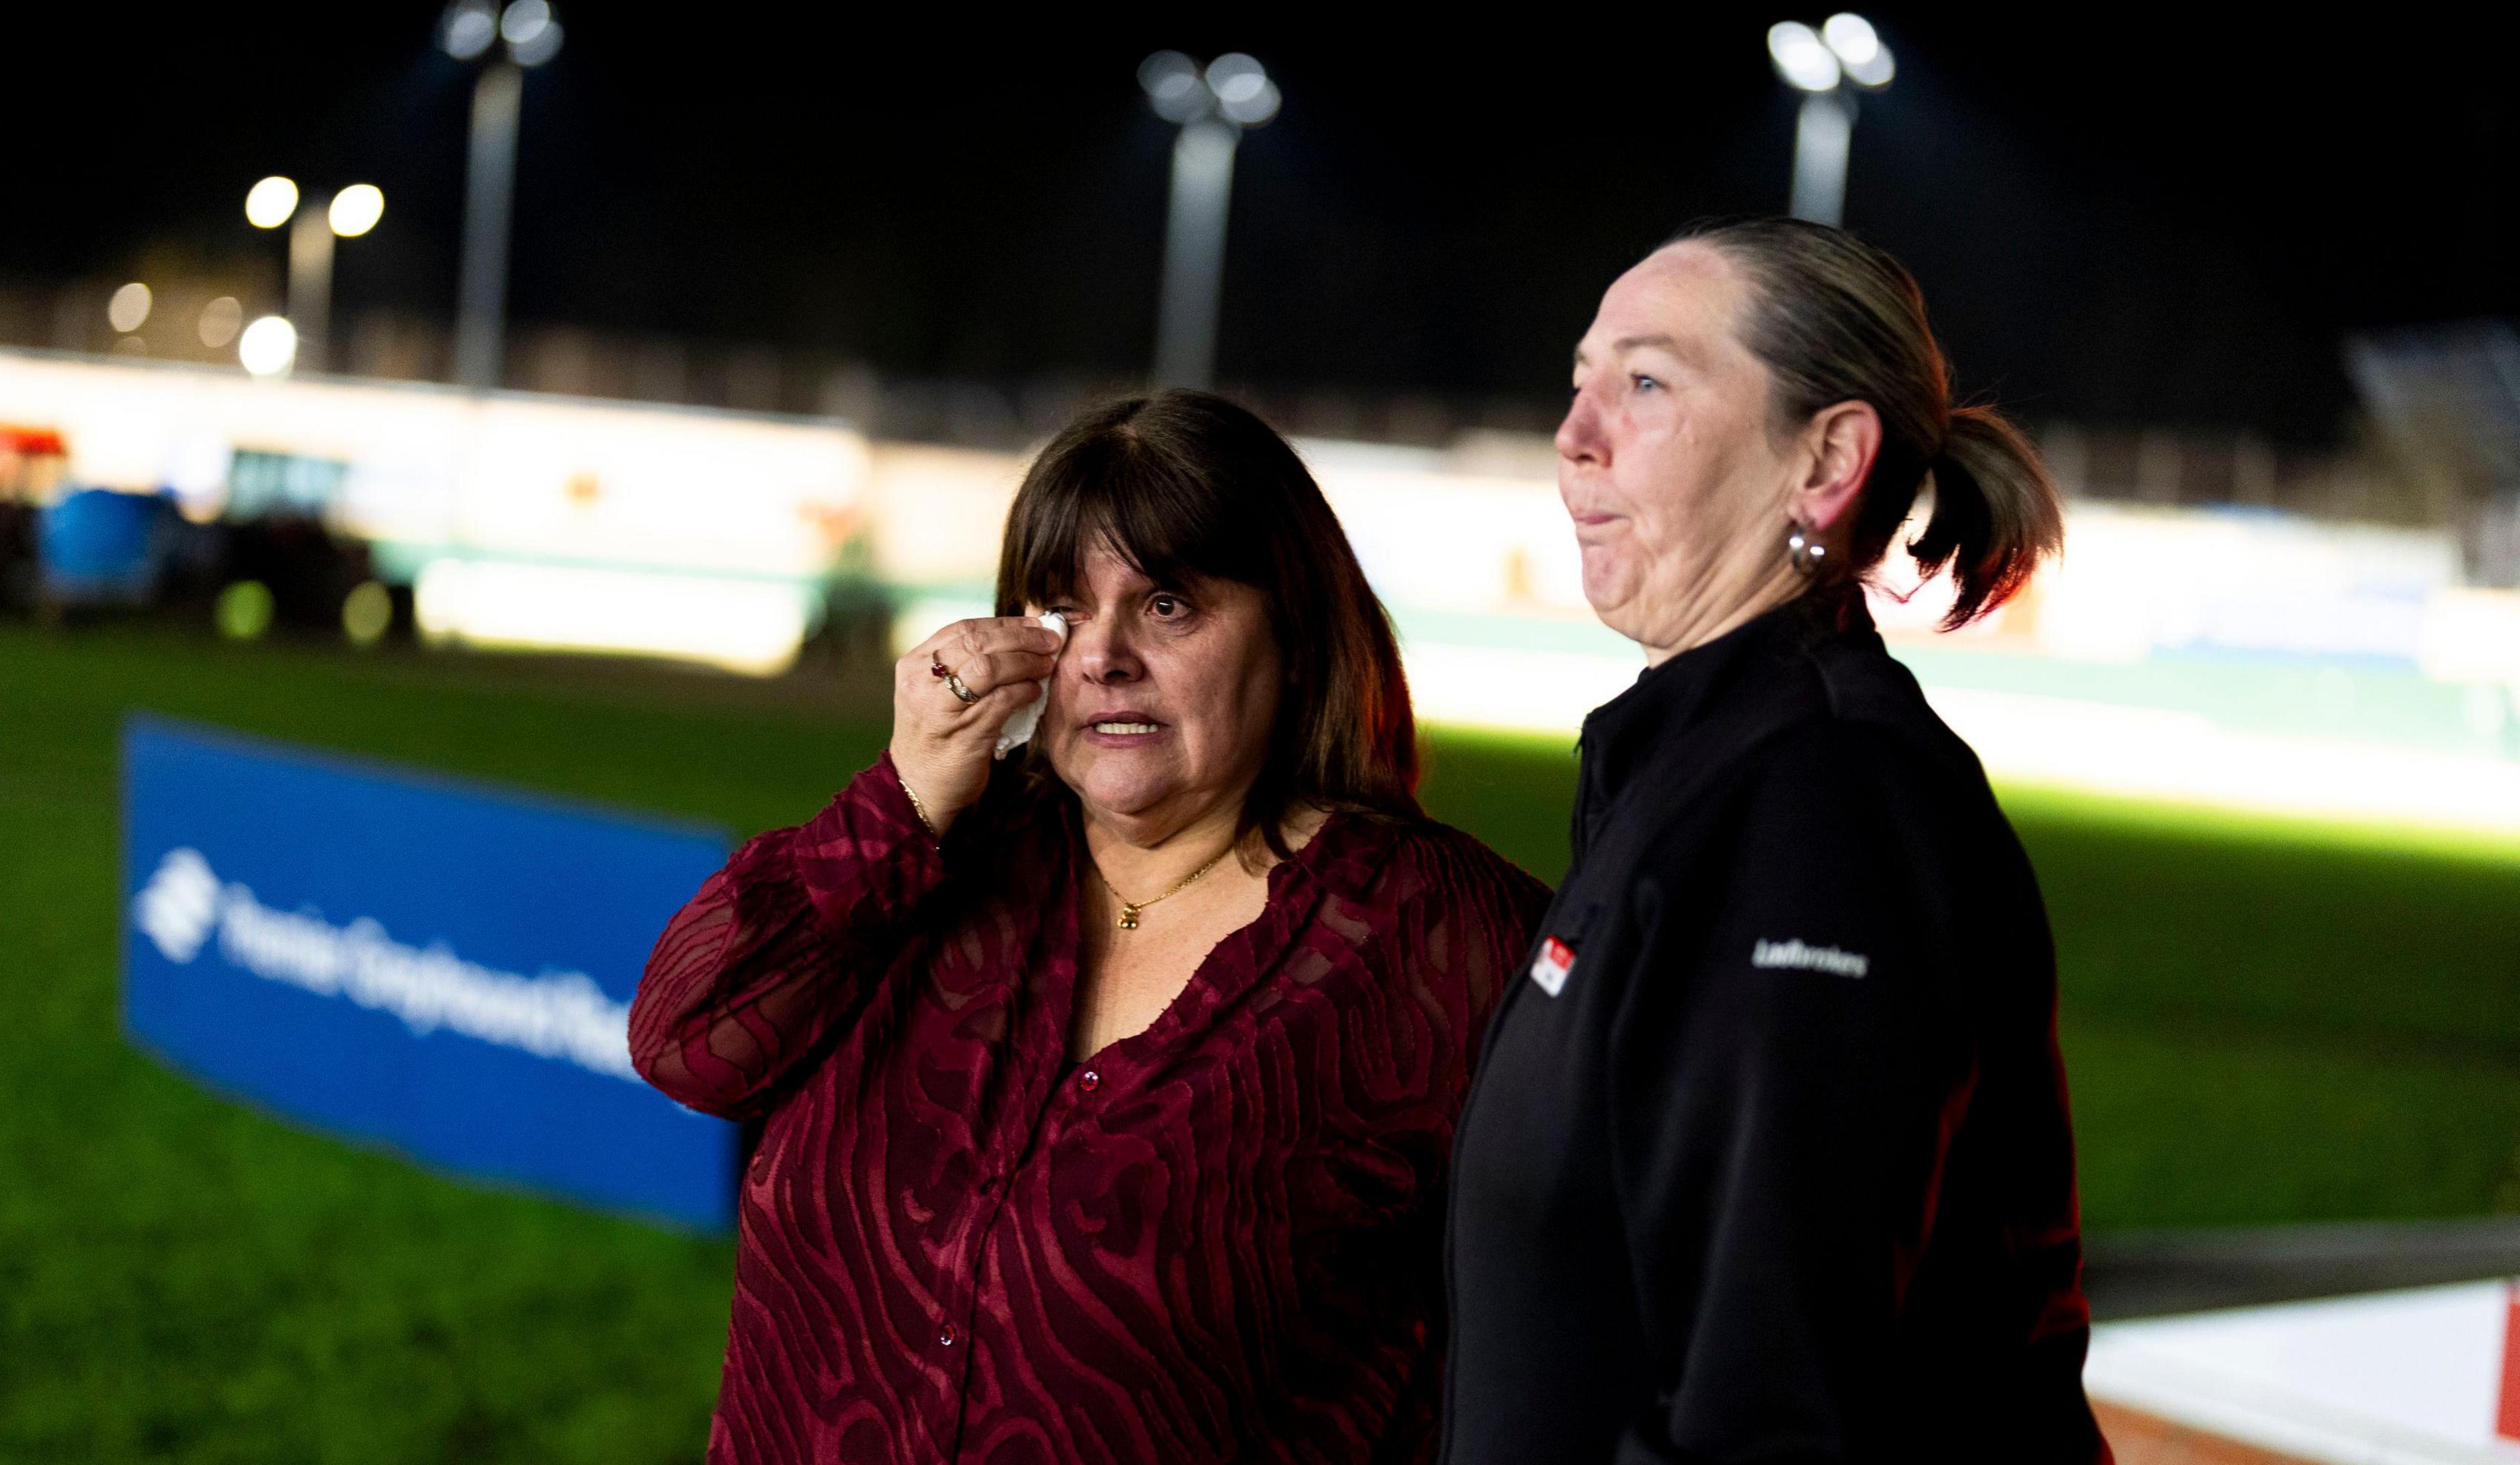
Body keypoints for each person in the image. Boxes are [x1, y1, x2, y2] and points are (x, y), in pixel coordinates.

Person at [631, 389, 1547, 1464]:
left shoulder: (1438, 939)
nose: (1102, 655)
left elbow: (1574, 1324)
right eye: (1063, 608)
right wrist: (901, 800)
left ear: (1297, 636)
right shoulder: (934, 850)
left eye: (1168, 605)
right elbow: (685, 1045)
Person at [1442, 218, 2108, 1464]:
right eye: (1578, 382)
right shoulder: (1699, 768)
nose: (1574, 436)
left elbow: (1770, 1402)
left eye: (1643, 384)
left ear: (1825, 462)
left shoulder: (1825, 802)